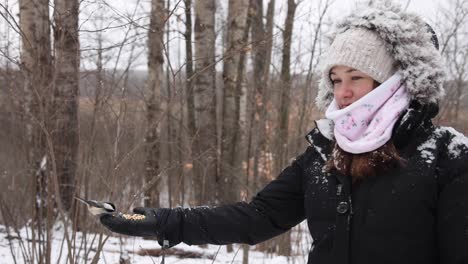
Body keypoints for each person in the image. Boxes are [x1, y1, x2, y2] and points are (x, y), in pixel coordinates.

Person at [100, 1, 468, 263]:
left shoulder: (446, 156)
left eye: (356, 78)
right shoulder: (326, 153)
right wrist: (162, 222)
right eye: (336, 79)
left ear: (394, 82)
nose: (343, 92)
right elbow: (257, 217)